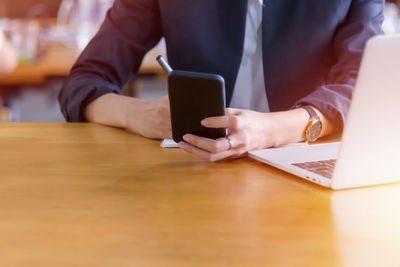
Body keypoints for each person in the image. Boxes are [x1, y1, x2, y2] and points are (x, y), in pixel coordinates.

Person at [59, 0, 384, 162]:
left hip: (305, 164)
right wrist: (137, 115)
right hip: (195, 173)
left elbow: (366, 83)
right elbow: (83, 83)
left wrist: (276, 129)